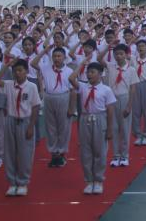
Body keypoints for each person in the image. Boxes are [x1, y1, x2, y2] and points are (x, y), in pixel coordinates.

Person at [0, 59, 41, 196]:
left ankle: (23, 182)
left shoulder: (31, 86)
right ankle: (12, 182)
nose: (17, 73)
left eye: (20, 70)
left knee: (25, 153)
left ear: (26, 71)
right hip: (11, 120)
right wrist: (6, 66)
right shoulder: (9, 84)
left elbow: (36, 106)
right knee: (10, 153)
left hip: (25, 121)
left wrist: (31, 126)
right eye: (15, 71)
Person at [68, 62, 115, 195]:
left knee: (100, 151)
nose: (89, 75)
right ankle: (89, 180)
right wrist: (81, 65)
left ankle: (98, 180)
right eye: (88, 72)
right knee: (86, 151)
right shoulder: (83, 87)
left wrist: (110, 128)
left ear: (100, 74)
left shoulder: (106, 90)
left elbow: (110, 110)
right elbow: (71, 78)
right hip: (85, 119)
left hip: (100, 119)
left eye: (93, 72)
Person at [31, 45, 73, 167]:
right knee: (50, 127)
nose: (56, 58)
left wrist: (71, 107)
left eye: (59, 56)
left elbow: (73, 90)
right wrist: (44, 51)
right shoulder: (46, 68)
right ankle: (54, 153)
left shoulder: (69, 71)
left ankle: (62, 153)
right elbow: (33, 63)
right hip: (49, 97)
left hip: (64, 97)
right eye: (54, 56)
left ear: (64, 57)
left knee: (63, 126)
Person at [99, 44, 137, 167]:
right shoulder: (111, 66)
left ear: (126, 54)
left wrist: (129, 106)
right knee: (113, 127)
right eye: (116, 54)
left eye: (121, 54)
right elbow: (99, 58)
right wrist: (108, 47)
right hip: (112, 98)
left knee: (125, 128)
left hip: (124, 98)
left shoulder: (131, 69)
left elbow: (132, 89)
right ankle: (116, 156)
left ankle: (124, 156)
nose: (119, 56)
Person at [131, 39, 146, 146]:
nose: (140, 48)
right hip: (135, 85)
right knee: (135, 111)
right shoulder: (133, 59)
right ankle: (137, 135)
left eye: (143, 46)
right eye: (139, 46)